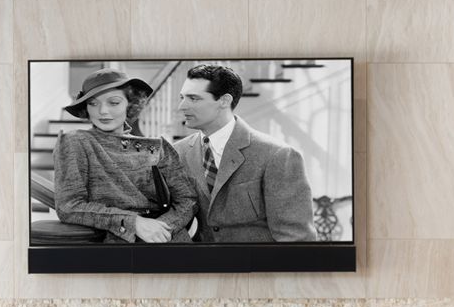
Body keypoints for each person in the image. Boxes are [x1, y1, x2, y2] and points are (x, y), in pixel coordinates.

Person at [50, 69, 197, 243]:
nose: (103, 111)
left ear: (130, 104)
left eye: (113, 102)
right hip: (114, 245)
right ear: (86, 108)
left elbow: (187, 200)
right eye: (93, 103)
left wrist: (163, 227)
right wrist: (133, 224)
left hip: (167, 239)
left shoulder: (158, 146)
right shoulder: (75, 141)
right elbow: (69, 206)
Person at [172, 62, 314, 242]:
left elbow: (296, 239)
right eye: (181, 97)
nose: (181, 107)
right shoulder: (178, 152)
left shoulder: (278, 156)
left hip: (259, 268)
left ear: (224, 101)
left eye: (193, 98)